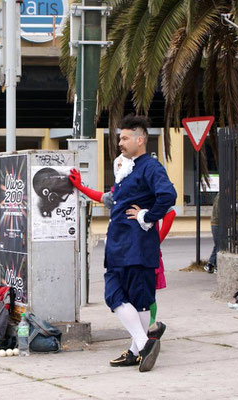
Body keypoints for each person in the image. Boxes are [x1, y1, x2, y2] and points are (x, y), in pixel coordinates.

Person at [74, 115, 176, 372]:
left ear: (140, 140)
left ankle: (141, 345)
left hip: (136, 245)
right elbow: (110, 199)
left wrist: (147, 216)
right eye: (120, 138)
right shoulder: (127, 168)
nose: (120, 142)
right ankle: (138, 348)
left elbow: (168, 196)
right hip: (121, 245)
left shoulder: (150, 167)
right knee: (129, 297)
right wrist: (80, 187)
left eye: (125, 137)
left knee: (124, 296)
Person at [205, 193, 219, 273]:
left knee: (217, 245)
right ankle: (216, 265)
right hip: (217, 223)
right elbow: (219, 211)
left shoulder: (219, 196)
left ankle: (210, 264)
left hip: (216, 223)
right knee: (219, 245)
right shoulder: (221, 197)